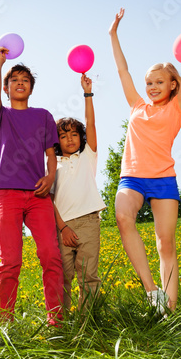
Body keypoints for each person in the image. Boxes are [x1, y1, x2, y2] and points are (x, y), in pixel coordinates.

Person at [109, 0, 181, 315]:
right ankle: (151, 291)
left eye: (159, 82)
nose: (152, 87)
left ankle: (169, 312)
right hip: (132, 177)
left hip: (163, 180)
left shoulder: (178, 107)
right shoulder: (137, 106)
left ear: (173, 85)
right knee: (122, 217)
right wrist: (112, 33)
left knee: (166, 245)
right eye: (149, 83)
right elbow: (122, 69)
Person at [0, 52, 63, 325]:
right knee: (10, 261)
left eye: (26, 80)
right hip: (7, 193)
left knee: (51, 256)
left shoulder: (43, 116)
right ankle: (4, 321)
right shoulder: (1, 115)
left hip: (38, 195)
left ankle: (56, 320)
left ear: (31, 87)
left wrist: (51, 176)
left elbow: (51, 153)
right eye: (14, 80)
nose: (20, 83)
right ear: (7, 88)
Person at [52, 74, 106, 314]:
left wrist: (87, 94)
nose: (69, 139)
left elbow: (91, 123)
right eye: (63, 135)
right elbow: (49, 200)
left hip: (88, 222)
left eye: (74, 134)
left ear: (81, 137)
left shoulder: (88, 156)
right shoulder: (51, 164)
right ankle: (61, 322)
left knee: (89, 276)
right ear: (56, 141)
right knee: (63, 277)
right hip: (61, 226)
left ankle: (89, 322)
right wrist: (62, 228)